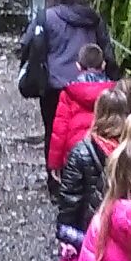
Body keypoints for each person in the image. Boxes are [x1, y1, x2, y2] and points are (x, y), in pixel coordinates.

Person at [57, 88, 131, 261]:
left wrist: (65, 232)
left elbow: (70, 198)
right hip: (125, 231)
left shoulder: (81, 151)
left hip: (91, 233)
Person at [20, 0, 118, 188]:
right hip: (91, 85)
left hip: (53, 86)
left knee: (53, 132)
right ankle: (90, 181)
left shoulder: (46, 17)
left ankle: (56, 182)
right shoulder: (93, 18)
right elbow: (107, 52)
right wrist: (115, 80)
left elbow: (27, 43)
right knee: (92, 131)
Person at [47, 44, 115, 177]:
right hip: (107, 151)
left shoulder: (69, 93)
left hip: (75, 152)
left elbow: (60, 130)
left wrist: (55, 164)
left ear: (78, 66)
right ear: (103, 65)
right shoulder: (114, 93)